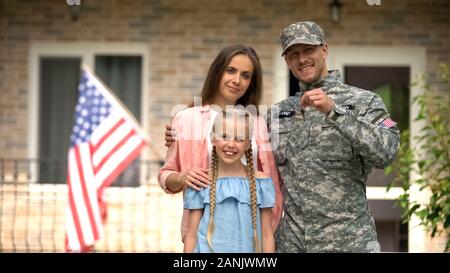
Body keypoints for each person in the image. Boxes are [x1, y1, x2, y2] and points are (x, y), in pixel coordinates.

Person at [270, 21, 400, 252]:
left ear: (324, 50)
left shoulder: (366, 102)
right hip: (292, 245)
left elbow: (387, 152)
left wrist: (335, 112)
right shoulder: (277, 113)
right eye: (293, 54)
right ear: (287, 61)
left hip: (350, 242)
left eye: (308, 50)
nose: (302, 59)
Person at [158, 44, 283, 245]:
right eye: (231, 70)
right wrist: (182, 178)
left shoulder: (258, 123)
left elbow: (269, 183)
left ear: (251, 83)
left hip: (253, 238)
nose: (237, 80)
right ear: (218, 71)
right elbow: (165, 175)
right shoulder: (186, 119)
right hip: (204, 236)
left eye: (245, 75)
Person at [183, 109, 275, 253]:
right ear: (213, 138)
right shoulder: (201, 182)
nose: (231, 144)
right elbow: (191, 236)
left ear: (248, 144)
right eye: (224, 136)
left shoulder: (261, 183)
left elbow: (267, 235)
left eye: (239, 139)